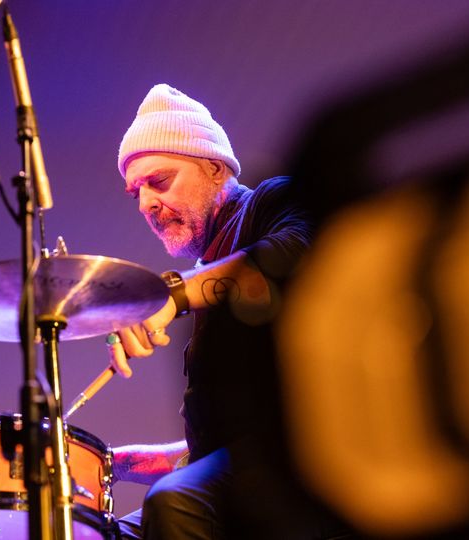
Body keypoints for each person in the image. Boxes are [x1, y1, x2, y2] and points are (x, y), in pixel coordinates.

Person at [108, 84, 348, 540]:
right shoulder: (208, 280)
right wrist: (110, 462)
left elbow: (296, 250)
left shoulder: (269, 202)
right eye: (135, 192)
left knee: (174, 502)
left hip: (314, 463)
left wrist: (172, 294)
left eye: (159, 181)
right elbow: (215, 454)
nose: (146, 204)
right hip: (252, 471)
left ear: (215, 168)